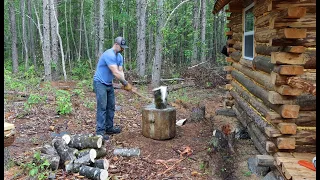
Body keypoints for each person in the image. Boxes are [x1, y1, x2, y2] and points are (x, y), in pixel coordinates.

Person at [93, 36, 132, 140]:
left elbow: (120, 71)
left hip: (108, 84)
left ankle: (109, 128)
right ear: (116, 44)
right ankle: (100, 132)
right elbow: (115, 72)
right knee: (102, 107)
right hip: (100, 83)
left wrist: (124, 83)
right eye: (121, 47)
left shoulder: (119, 57)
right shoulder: (109, 54)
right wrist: (125, 82)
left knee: (111, 106)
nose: (123, 49)